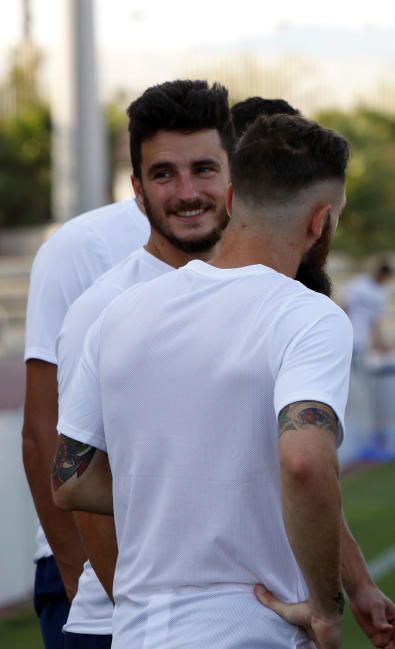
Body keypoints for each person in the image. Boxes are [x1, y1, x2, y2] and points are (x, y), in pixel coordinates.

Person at [51, 114, 395, 649]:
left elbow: (69, 480)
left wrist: (180, 490)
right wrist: (328, 608)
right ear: (321, 221)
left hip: (138, 633)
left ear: (233, 198)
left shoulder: (122, 312)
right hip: (251, 629)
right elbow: (305, 463)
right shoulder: (307, 315)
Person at [54, 79, 234, 649]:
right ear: (136, 189)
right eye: (163, 174)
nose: (187, 192)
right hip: (131, 626)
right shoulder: (104, 309)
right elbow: (83, 488)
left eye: (204, 169)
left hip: (237, 616)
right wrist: (138, 620)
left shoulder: (257, 293)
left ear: (235, 176)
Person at [20, 106, 150, 649]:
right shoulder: (84, 246)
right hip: (86, 571)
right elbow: (43, 427)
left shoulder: (235, 255)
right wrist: (78, 579)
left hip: (191, 578)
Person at [344, 260, 394, 361]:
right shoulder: (360, 284)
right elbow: (344, 306)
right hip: (347, 336)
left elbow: (376, 321)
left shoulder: (383, 294)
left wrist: (379, 343)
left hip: (361, 341)